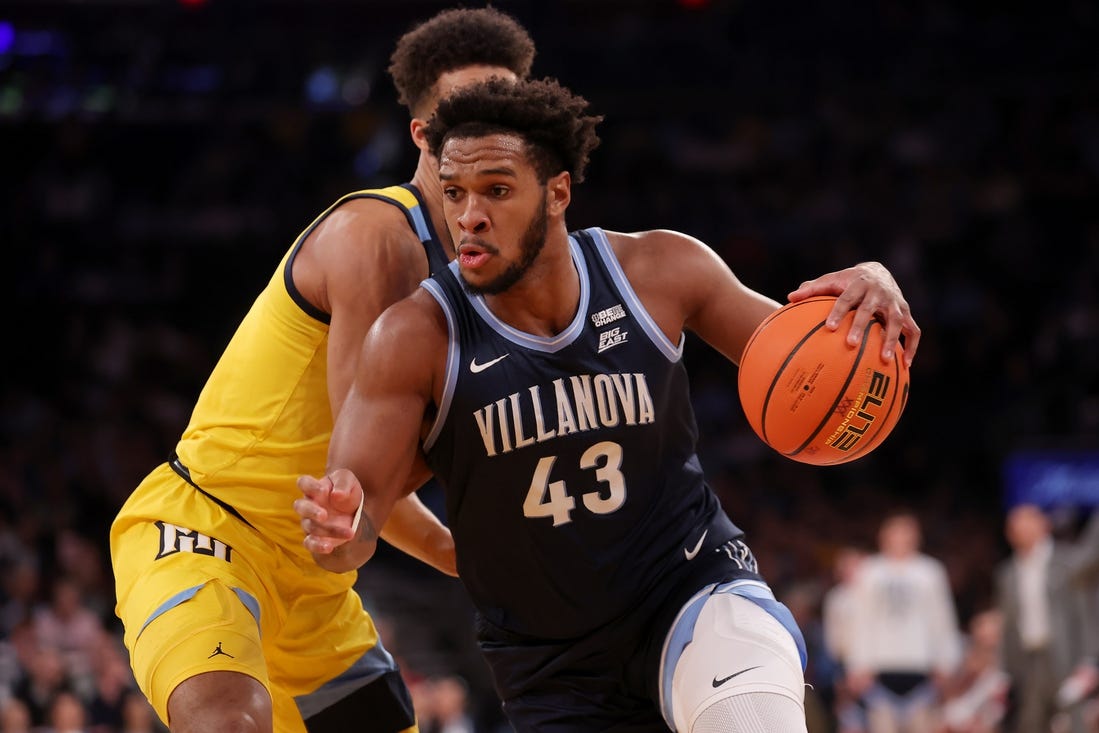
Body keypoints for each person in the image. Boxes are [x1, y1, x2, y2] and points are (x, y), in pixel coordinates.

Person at [296, 76, 921, 732]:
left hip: (691, 590)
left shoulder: (658, 271)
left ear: (558, 191)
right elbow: (352, 527)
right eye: (453, 193)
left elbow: (809, 365)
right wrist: (338, 530)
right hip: (550, 662)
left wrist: (869, 295)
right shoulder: (413, 336)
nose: (468, 216)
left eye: (496, 191)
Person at [108, 8, 537, 733]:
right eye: (466, 114)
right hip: (210, 529)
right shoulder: (377, 238)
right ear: (423, 135)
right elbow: (354, 473)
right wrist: (477, 560)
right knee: (228, 721)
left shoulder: (503, 276)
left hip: (310, 586)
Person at [845, 510, 962, 733]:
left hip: (921, 666)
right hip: (879, 668)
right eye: (895, 533)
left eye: (906, 533)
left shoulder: (930, 571)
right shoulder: (870, 571)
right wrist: (857, 664)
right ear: (883, 536)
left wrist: (946, 661)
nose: (900, 539)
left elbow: (942, 618)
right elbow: (860, 619)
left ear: (916, 537)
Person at [997, 504, 1098, 733]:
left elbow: (1086, 614)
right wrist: (1004, 670)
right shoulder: (1007, 573)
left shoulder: (1069, 564)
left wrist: (1090, 661)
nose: (1022, 531)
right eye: (1015, 527)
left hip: (1066, 657)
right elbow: (1008, 627)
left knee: (1075, 723)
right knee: (1030, 723)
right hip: (1027, 660)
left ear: (1044, 525)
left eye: (1027, 523)